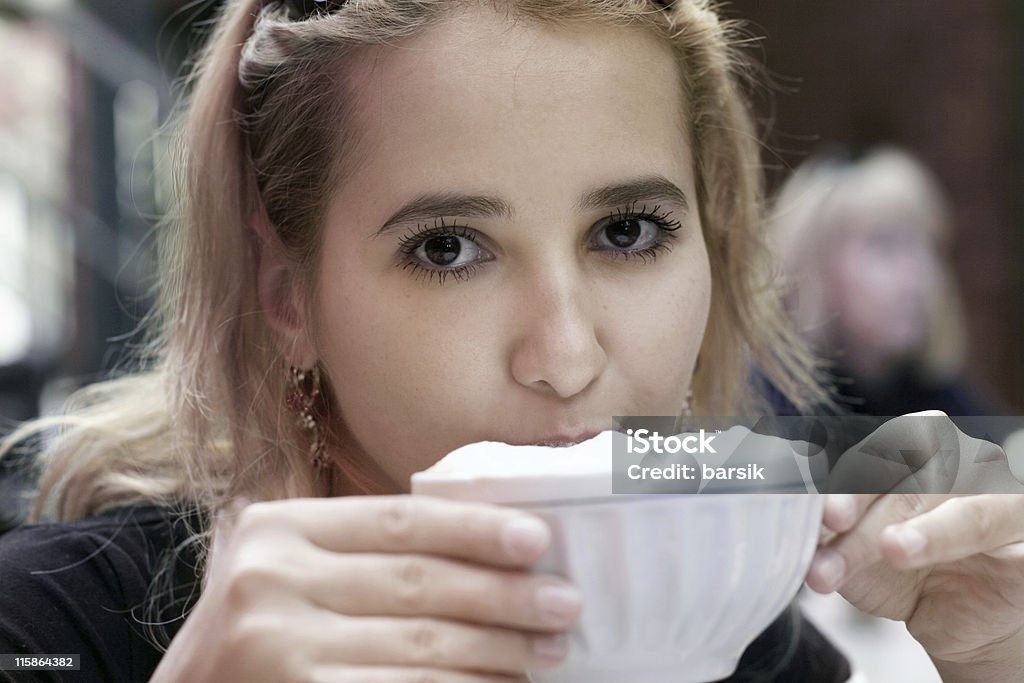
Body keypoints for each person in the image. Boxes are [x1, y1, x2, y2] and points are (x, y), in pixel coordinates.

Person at [0, 1, 1021, 681]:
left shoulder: (743, 646)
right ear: (285, 295)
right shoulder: (51, 628)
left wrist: (994, 659)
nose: (566, 353)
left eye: (626, 233)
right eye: (448, 248)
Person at [768, 147, 1001, 417]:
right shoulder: (769, 405)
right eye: (885, 246)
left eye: (928, 246)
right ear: (811, 265)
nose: (918, 273)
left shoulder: (938, 393)